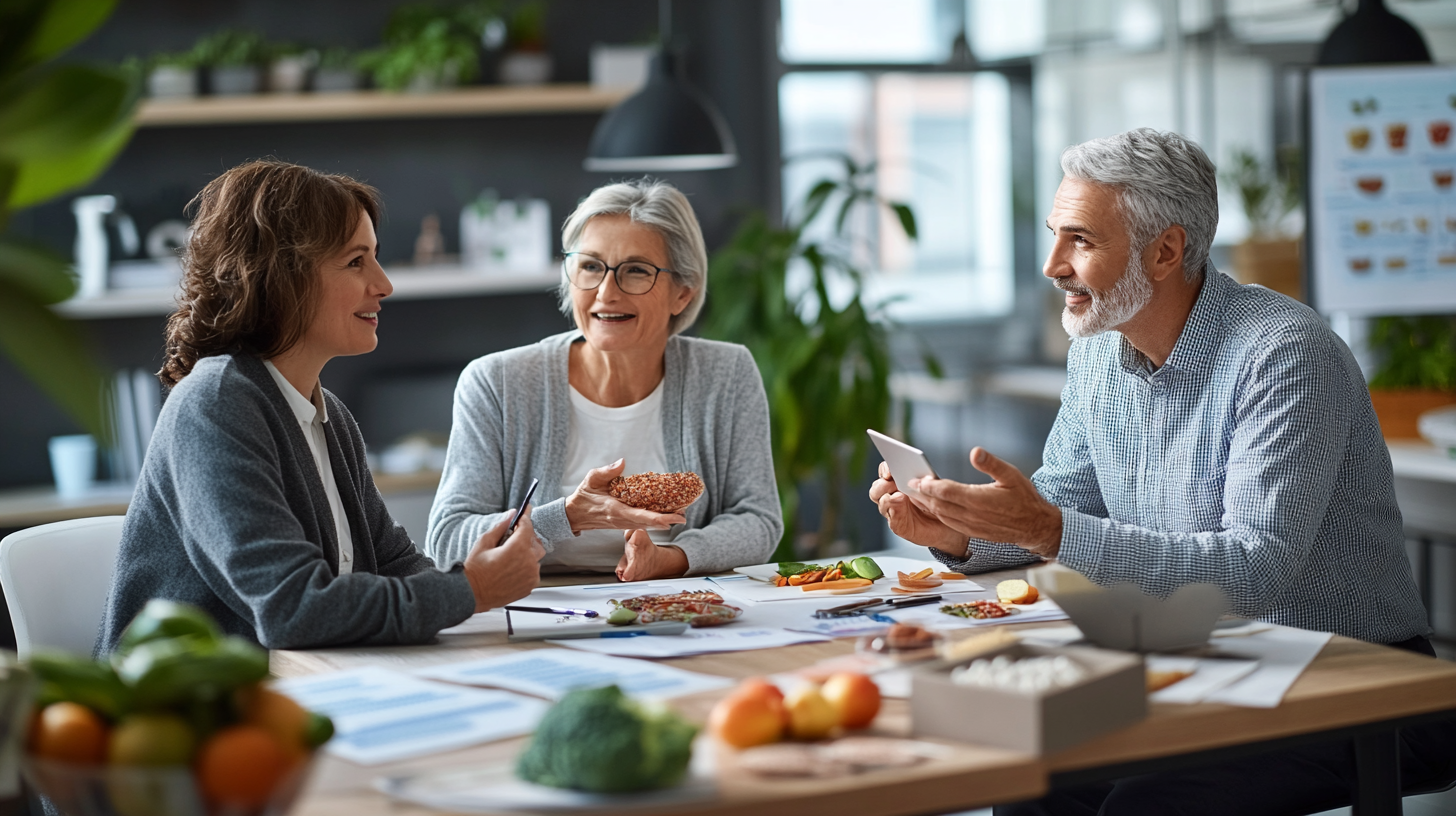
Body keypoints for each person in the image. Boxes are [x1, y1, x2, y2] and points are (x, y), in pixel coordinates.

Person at [869, 128, 1455, 814]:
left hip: (1351, 669)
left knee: (1145, 807)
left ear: (1166, 250)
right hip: (1200, 658)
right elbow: (1063, 500)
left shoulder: (1284, 354)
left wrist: (1051, 531)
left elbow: (1255, 568)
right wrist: (963, 531)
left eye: (1080, 240)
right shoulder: (1096, 352)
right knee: (1029, 778)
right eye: (1056, 234)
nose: (1052, 263)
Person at [97, 161, 543, 653]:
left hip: (296, 688)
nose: (384, 284)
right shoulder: (216, 405)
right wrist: (470, 590)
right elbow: (294, 610)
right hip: (185, 713)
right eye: (356, 262)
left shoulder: (328, 414)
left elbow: (390, 563)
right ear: (281, 278)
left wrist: (468, 577)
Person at [427, 179, 781, 581]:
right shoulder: (496, 383)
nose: (606, 292)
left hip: (676, 603)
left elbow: (758, 520)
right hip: (530, 609)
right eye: (591, 266)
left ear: (682, 293)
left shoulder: (726, 374)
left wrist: (672, 558)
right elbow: (447, 540)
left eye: (635, 271)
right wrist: (568, 516)